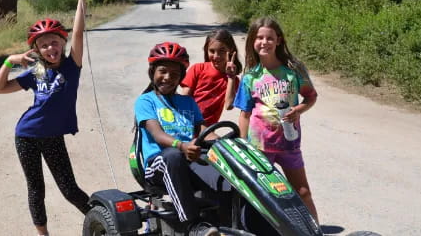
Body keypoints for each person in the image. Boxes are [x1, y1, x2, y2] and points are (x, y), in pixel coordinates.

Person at [0, 0, 90, 236]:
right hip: (26, 135)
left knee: (69, 189)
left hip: (53, 137)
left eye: (55, 43)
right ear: (37, 50)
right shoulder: (37, 71)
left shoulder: (71, 67)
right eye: (44, 45)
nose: (50, 48)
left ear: (63, 43)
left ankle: (104, 221)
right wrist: (9, 61)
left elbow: (79, 32)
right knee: (36, 189)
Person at [134, 42, 229, 236]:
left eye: (174, 74)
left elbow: (204, 130)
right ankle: (193, 225)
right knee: (173, 156)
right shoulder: (145, 101)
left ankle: (235, 221)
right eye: (162, 71)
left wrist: (227, 144)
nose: (168, 77)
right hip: (158, 164)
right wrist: (181, 145)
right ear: (152, 71)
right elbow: (157, 134)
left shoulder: (187, 101)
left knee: (228, 165)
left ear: (181, 78)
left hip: (188, 159)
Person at [233, 17, 319, 222]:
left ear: (278, 40)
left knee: (303, 192)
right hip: (259, 147)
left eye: (269, 38)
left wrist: (298, 110)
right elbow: (245, 114)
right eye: (259, 37)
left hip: (289, 144)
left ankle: (314, 231)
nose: (264, 42)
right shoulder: (250, 77)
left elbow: (311, 96)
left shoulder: (293, 70)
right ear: (253, 41)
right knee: (262, 198)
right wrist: (244, 145)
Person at [180, 29, 242, 127]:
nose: (216, 56)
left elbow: (229, 105)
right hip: (186, 124)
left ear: (230, 50)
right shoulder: (198, 69)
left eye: (222, 51)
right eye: (212, 51)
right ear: (206, 50)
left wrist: (231, 78)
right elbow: (184, 99)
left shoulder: (233, 80)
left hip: (208, 130)